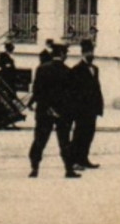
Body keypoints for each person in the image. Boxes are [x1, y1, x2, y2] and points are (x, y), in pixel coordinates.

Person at [29, 42, 81, 178]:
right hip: (62, 113)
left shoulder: (41, 69)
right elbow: (71, 95)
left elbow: (37, 91)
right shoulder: (68, 71)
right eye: (66, 54)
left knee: (39, 140)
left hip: (44, 111)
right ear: (63, 54)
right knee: (64, 141)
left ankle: (34, 168)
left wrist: (46, 107)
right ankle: (69, 170)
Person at [70, 39, 105, 170]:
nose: (91, 54)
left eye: (92, 51)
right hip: (81, 109)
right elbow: (74, 91)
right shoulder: (76, 69)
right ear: (83, 53)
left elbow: (97, 88)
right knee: (79, 134)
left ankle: (84, 158)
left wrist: (99, 106)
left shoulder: (95, 69)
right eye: (88, 52)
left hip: (92, 108)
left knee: (89, 135)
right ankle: (74, 160)